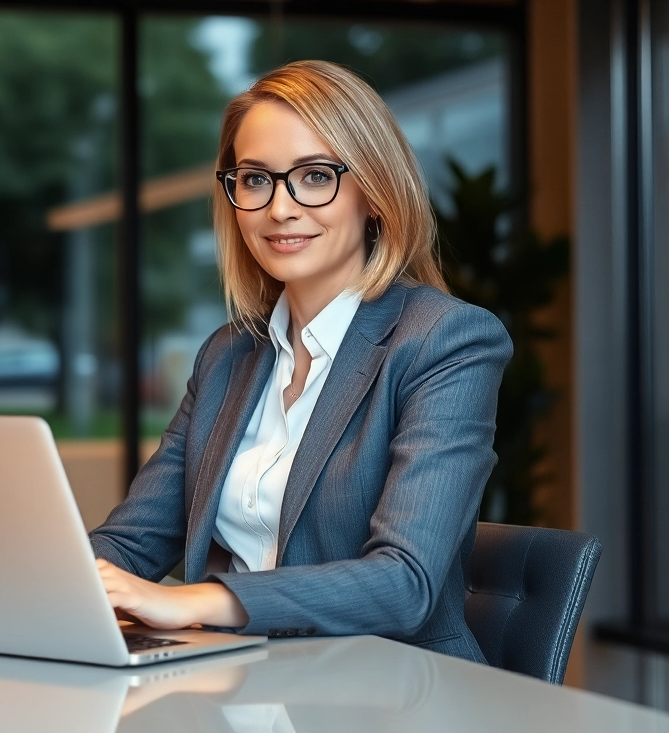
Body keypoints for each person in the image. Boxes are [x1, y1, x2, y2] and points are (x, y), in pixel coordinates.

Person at [90, 59, 511, 663]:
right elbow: (132, 543)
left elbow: (404, 583)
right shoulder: (227, 355)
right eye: (256, 180)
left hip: (392, 694)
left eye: (314, 176)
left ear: (375, 193)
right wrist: (36, 579)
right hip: (240, 684)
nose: (280, 208)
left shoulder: (445, 340)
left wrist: (199, 601)